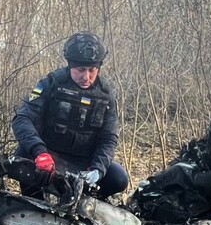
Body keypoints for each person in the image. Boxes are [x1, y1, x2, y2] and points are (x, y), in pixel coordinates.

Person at [11, 31, 129, 200]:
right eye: (80, 70)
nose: (86, 77)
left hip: (84, 163)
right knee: (23, 156)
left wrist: (97, 168)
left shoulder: (106, 93)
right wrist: (40, 152)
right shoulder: (51, 83)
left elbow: (109, 137)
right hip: (49, 155)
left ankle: (86, 206)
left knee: (119, 179)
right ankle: (33, 204)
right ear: (70, 65)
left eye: (92, 70)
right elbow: (22, 119)